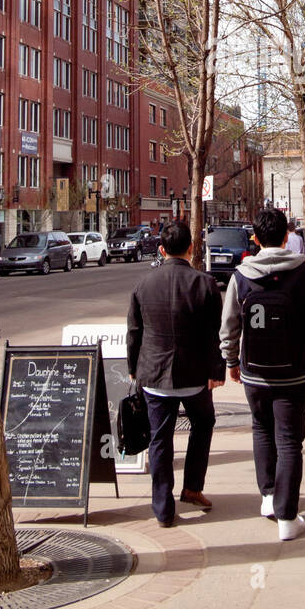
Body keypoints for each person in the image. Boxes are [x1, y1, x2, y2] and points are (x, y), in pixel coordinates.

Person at [220, 208, 305, 541]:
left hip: (255, 371)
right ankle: (287, 516)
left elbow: (229, 325)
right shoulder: (304, 274)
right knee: (289, 440)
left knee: (261, 429)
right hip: (295, 371)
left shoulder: (240, 276)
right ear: (287, 237)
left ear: (255, 239)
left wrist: (231, 361)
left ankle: (268, 496)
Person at [127, 220, 224, 527]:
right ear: (191, 248)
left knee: (160, 440)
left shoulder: (143, 285)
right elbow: (214, 335)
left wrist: (134, 370)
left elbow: (134, 333)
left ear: (161, 249)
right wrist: (216, 371)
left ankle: (163, 507)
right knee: (203, 423)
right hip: (194, 377)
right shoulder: (205, 284)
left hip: (155, 377)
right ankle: (193, 487)